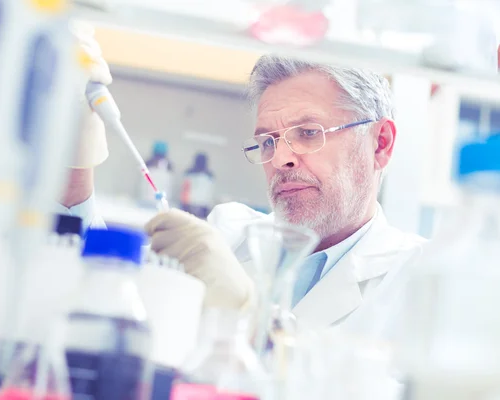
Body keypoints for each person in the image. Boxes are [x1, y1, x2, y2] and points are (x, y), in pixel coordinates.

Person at [144, 55, 427, 332]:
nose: (279, 159)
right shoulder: (227, 236)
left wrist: (246, 314)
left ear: (380, 144)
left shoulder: (420, 281)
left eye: (308, 133)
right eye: (268, 142)